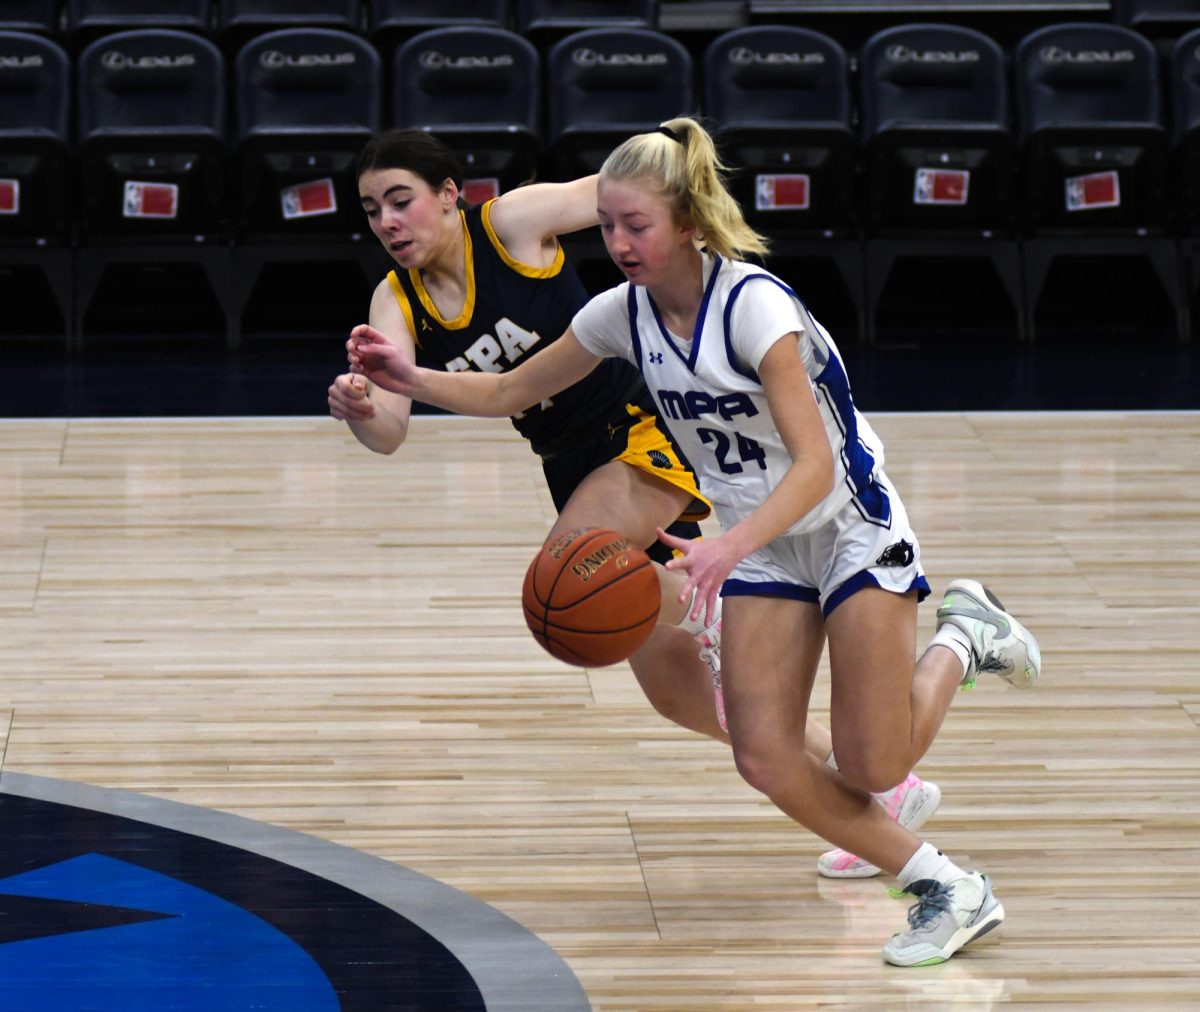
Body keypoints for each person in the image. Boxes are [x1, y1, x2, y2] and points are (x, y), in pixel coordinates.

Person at [345, 118, 1042, 966]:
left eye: (634, 225)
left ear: (686, 222)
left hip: (843, 528)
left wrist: (722, 549)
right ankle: (946, 878)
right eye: (606, 227)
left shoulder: (755, 307)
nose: (616, 242)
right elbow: (506, 392)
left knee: (867, 754)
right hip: (741, 535)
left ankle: (959, 645)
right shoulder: (616, 313)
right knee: (751, 746)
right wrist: (402, 380)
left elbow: (818, 468)